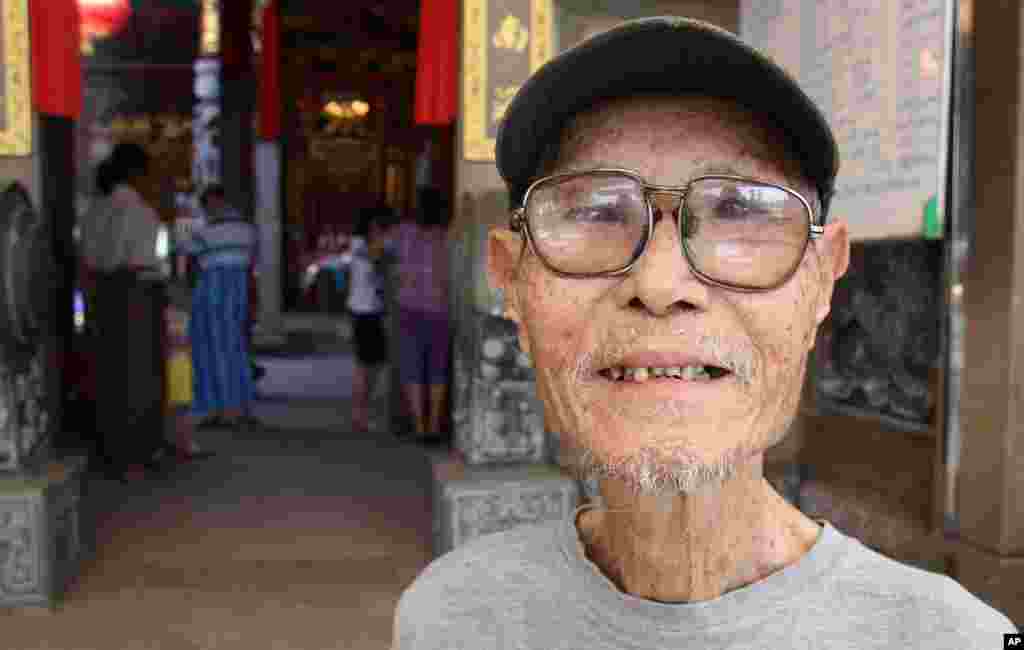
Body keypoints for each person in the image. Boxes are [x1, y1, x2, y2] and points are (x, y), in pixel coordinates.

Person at [391, 17, 1017, 647]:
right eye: (595, 212)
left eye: (741, 210)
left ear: (822, 281)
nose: (661, 284)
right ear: (514, 286)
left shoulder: (957, 639)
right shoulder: (451, 620)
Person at [78, 143, 167, 482]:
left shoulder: (95, 210)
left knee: (108, 372)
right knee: (139, 374)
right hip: (137, 294)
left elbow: (88, 257)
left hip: (102, 294)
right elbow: (142, 259)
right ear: (137, 174)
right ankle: (136, 455)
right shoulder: (139, 211)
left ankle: (112, 452)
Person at [179, 184, 259, 430]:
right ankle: (238, 407)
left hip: (212, 290)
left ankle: (219, 408)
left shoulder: (206, 230)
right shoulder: (248, 229)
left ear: (210, 204)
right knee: (234, 346)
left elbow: (185, 249)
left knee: (210, 346)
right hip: (238, 290)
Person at [393, 188, 451, 440]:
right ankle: (435, 426)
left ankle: (419, 426)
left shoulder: (404, 233)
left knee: (413, 367)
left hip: (409, 310)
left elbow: (380, 251)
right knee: (437, 368)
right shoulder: (448, 237)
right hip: (440, 310)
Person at [347, 206, 395, 433]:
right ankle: (359, 416)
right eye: (379, 227)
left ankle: (362, 413)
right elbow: (377, 261)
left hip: (371, 311)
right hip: (363, 311)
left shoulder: (369, 246)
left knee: (373, 365)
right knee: (364, 366)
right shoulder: (360, 245)